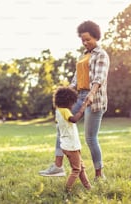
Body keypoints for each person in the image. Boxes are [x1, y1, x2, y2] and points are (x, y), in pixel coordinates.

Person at [39, 20, 110, 180]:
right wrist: (64, 93)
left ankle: (99, 174)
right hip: (78, 96)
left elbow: (99, 78)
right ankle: (58, 166)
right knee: (61, 126)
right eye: (82, 40)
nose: (85, 43)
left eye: (88, 39)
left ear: (96, 37)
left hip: (95, 98)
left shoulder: (101, 55)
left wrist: (91, 94)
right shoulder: (82, 56)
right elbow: (76, 79)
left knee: (90, 138)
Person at [52, 86, 91, 192]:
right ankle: (67, 190)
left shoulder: (58, 111)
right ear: (68, 101)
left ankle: (88, 187)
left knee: (81, 168)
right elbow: (74, 119)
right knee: (76, 169)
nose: (73, 105)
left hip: (68, 144)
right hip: (71, 146)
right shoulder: (65, 111)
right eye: (72, 103)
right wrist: (83, 108)